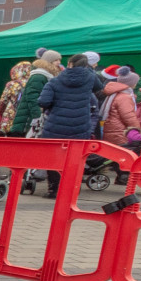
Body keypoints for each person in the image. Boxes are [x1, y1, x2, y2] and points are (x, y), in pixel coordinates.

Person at [36, 53, 102, 199]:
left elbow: (43, 101)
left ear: (69, 64)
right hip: (80, 126)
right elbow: (100, 87)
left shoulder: (55, 80)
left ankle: (54, 190)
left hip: (55, 127)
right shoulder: (90, 78)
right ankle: (72, 190)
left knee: (54, 159)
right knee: (75, 160)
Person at [12, 58, 57, 137]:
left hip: (28, 119)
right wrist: (37, 118)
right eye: (56, 60)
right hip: (27, 121)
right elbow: (32, 98)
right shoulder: (39, 77)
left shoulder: (45, 77)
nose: (59, 62)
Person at [0, 62, 32, 136]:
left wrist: (0, 112)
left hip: (11, 116)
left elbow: (3, 101)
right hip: (26, 117)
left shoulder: (12, 84)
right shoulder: (32, 83)